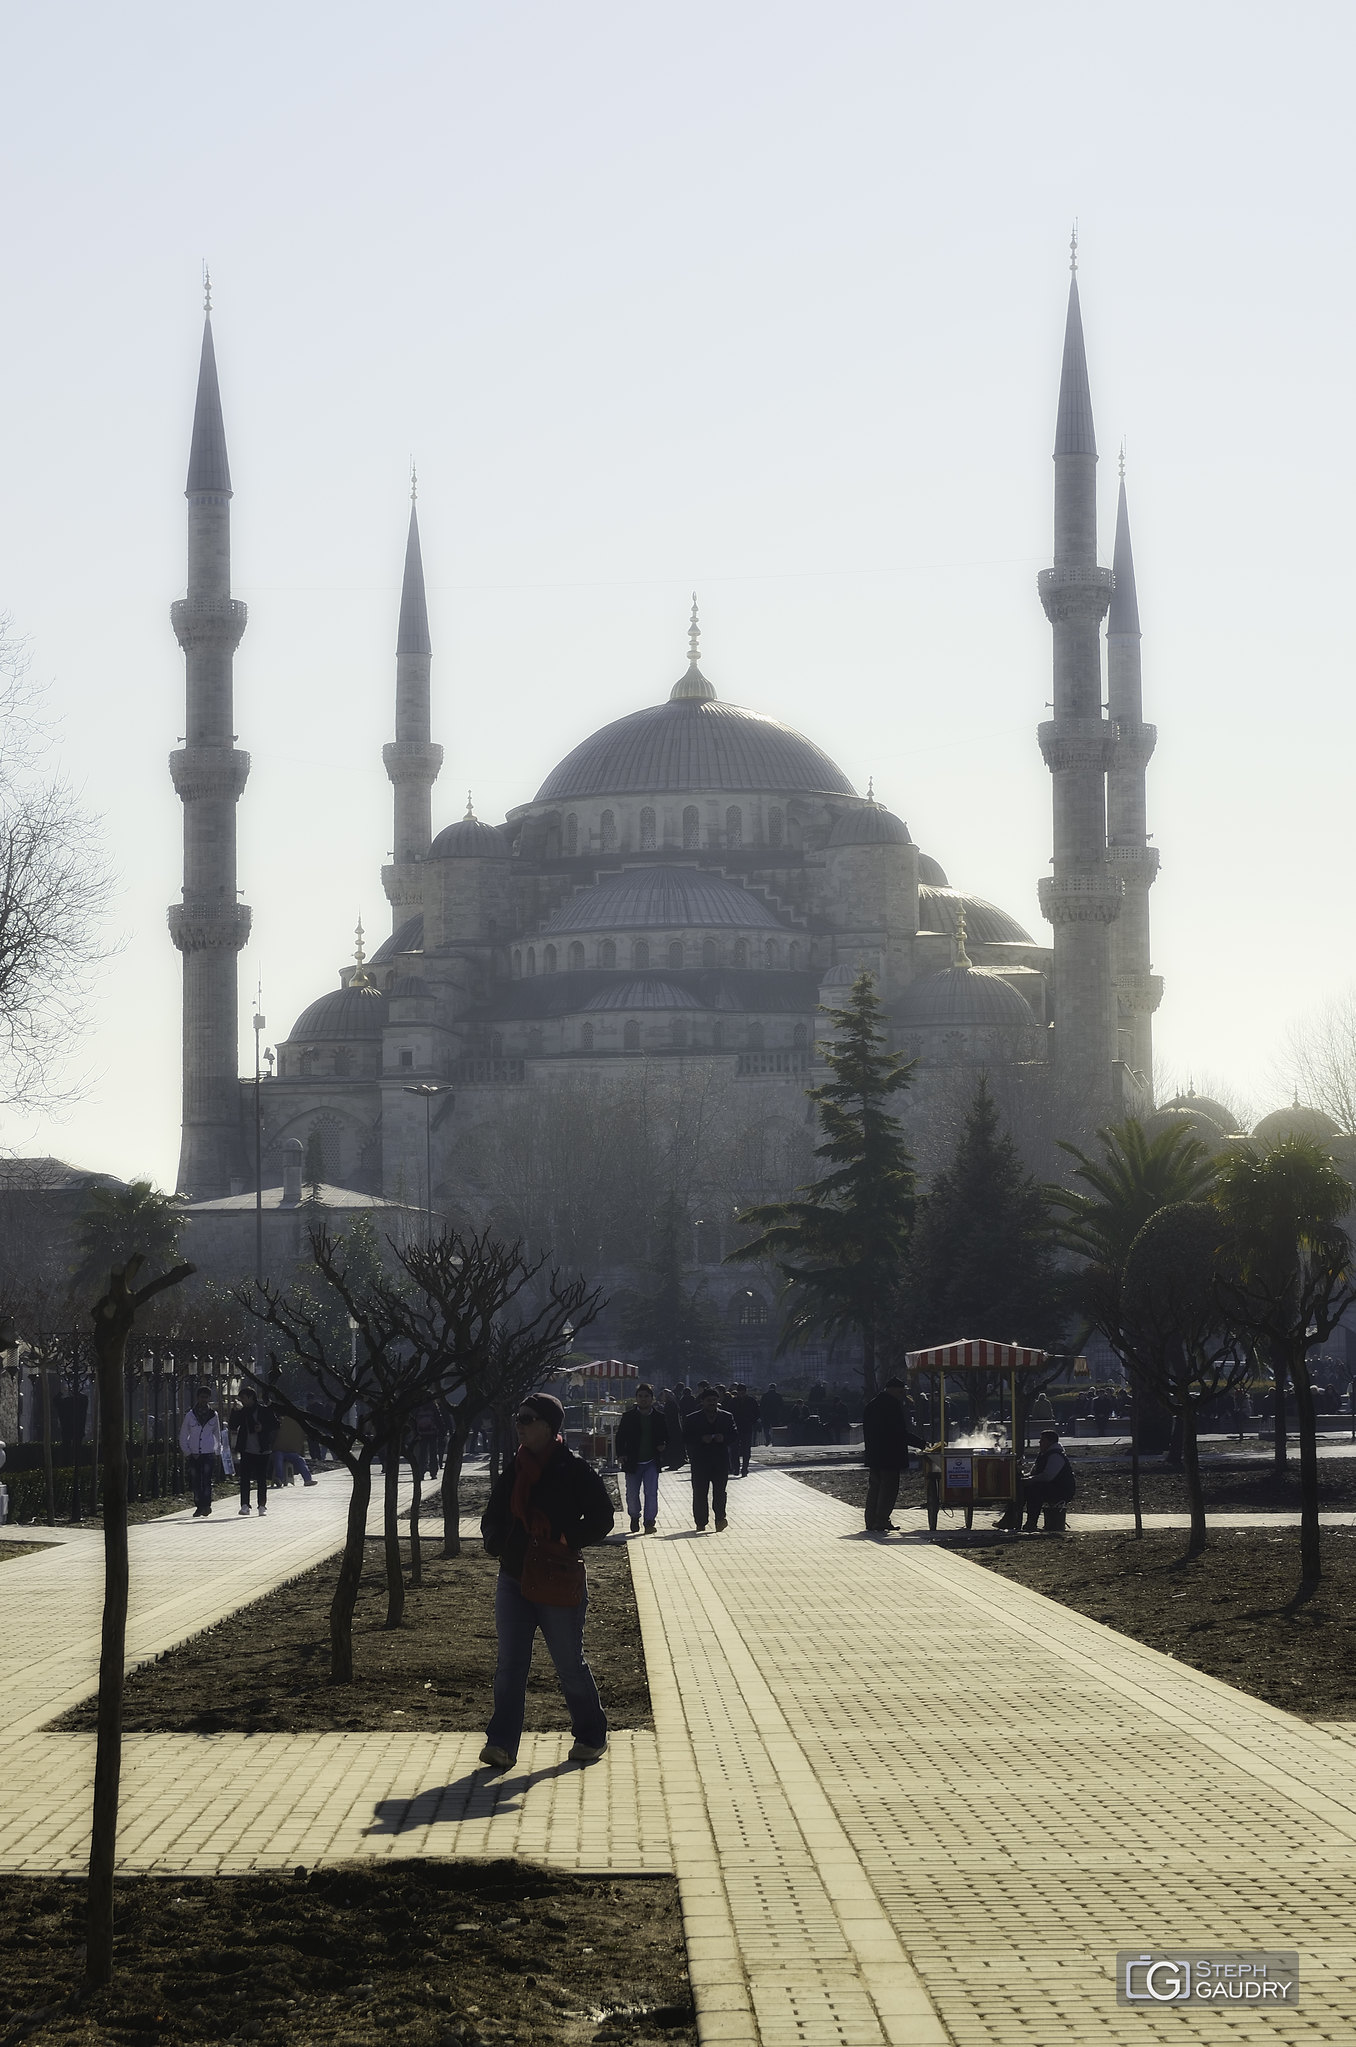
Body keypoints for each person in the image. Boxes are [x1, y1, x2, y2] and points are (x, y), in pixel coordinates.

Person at [478, 1392, 616, 1770]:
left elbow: (603, 1517)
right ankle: (501, 1743)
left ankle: (591, 1735)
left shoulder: (573, 1471)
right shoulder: (515, 1469)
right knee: (510, 1665)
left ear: (548, 1426)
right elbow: (492, 1516)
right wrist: (495, 1541)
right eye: (517, 1418)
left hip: (557, 1578)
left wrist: (567, 1538)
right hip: (513, 1578)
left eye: (527, 1418)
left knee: (569, 1664)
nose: (519, 1425)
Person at [861, 1375, 922, 1533]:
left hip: (874, 1455)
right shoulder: (891, 1405)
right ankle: (881, 1520)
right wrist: (921, 1443)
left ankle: (871, 1520)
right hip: (890, 1455)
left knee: (874, 1487)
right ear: (893, 1390)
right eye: (901, 1392)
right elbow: (899, 1432)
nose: (903, 1395)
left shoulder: (872, 1405)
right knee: (888, 1489)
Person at [682, 1385, 739, 1531]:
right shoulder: (692, 1419)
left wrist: (724, 1438)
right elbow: (686, 1438)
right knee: (700, 1492)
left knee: (720, 1492)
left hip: (720, 1461)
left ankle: (720, 1518)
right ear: (702, 1401)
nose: (712, 1403)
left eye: (714, 1400)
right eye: (708, 1400)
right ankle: (701, 1522)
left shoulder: (727, 1417)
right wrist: (701, 1439)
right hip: (700, 1461)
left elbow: (734, 1436)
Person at [997, 1429, 1077, 1532]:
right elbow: (1034, 1473)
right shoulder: (1043, 1455)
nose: (1039, 1443)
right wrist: (1024, 1478)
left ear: (1050, 1442)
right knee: (1019, 1489)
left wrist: (1030, 1480)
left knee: (1034, 1489)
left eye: (1042, 1440)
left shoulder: (1056, 1456)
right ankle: (1010, 1519)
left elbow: (1048, 1476)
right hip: (1049, 1487)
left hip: (1061, 1490)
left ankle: (1031, 1522)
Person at [615, 1382, 669, 1533]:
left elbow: (667, 1435)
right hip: (632, 1461)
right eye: (640, 1396)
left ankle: (649, 1521)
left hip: (651, 1460)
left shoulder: (659, 1417)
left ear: (652, 1398)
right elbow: (620, 1437)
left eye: (646, 1396)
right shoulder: (628, 1417)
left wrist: (663, 1445)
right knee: (632, 1493)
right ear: (636, 1398)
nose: (643, 1399)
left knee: (651, 1492)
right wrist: (620, 1454)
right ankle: (634, 1516)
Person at [229, 1384, 278, 1516]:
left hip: (262, 1449)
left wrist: (262, 1428)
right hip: (246, 1449)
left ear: (251, 1397)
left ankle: (262, 1505)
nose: (242, 1401)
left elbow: (275, 1425)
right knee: (244, 1478)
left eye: (243, 1398)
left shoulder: (264, 1410)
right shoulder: (242, 1411)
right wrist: (235, 1411)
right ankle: (245, 1505)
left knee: (261, 1479)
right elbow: (233, 1425)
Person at [179, 1386, 224, 1517]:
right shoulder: (190, 1415)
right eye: (202, 1397)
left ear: (209, 1398)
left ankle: (207, 1505)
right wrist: (187, 1451)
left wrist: (217, 1451)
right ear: (197, 1398)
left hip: (208, 1453)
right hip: (194, 1453)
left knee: (207, 1481)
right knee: (196, 1481)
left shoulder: (213, 1415)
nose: (204, 1399)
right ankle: (199, 1506)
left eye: (206, 1397)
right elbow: (183, 1434)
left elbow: (217, 1434)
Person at [272, 1412, 317, 1488]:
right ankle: (279, 1479)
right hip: (278, 1451)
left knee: (300, 1460)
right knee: (278, 1457)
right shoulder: (276, 1426)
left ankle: (307, 1480)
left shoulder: (292, 1428)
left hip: (290, 1451)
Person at [730, 1384, 761, 1477]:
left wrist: (751, 1421)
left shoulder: (737, 1401)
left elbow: (757, 1413)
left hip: (745, 1427)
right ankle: (738, 1467)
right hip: (739, 1427)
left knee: (744, 1449)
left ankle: (743, 1468)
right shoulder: (749, 1401)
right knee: (737, 1449)